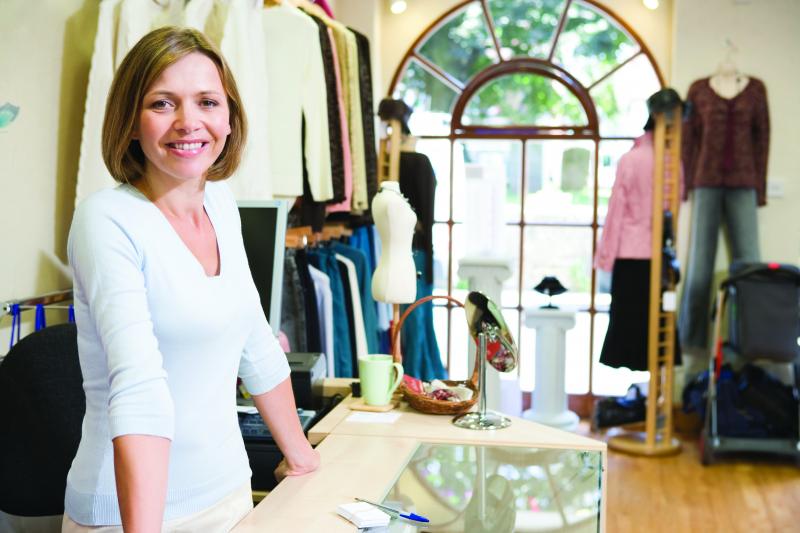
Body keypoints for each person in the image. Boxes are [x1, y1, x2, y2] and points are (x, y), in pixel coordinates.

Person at [64, 27, 319, 532]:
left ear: (229, 117)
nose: (189, 122)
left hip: (230, 494)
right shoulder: (106, 220)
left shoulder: (221, 204)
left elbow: (257, 344)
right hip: (130, 515)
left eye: (207, 101)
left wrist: (302, 458)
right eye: (163, 103)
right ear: (130, 123)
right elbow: (138, 389)